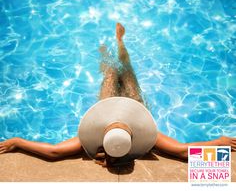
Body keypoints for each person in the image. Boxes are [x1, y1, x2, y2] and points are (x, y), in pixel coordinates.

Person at [0, 23, 235, 167]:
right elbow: (184, 152)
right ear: (133, 134)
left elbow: (53, 152)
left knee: (111, 74)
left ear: (103, 134)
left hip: (107, 102)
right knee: (128, 71)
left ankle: (109, 47)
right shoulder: (150, 139)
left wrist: (17, 141)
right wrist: (219, 143)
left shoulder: (90, 141)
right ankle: (119, 43)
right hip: (135, 105)